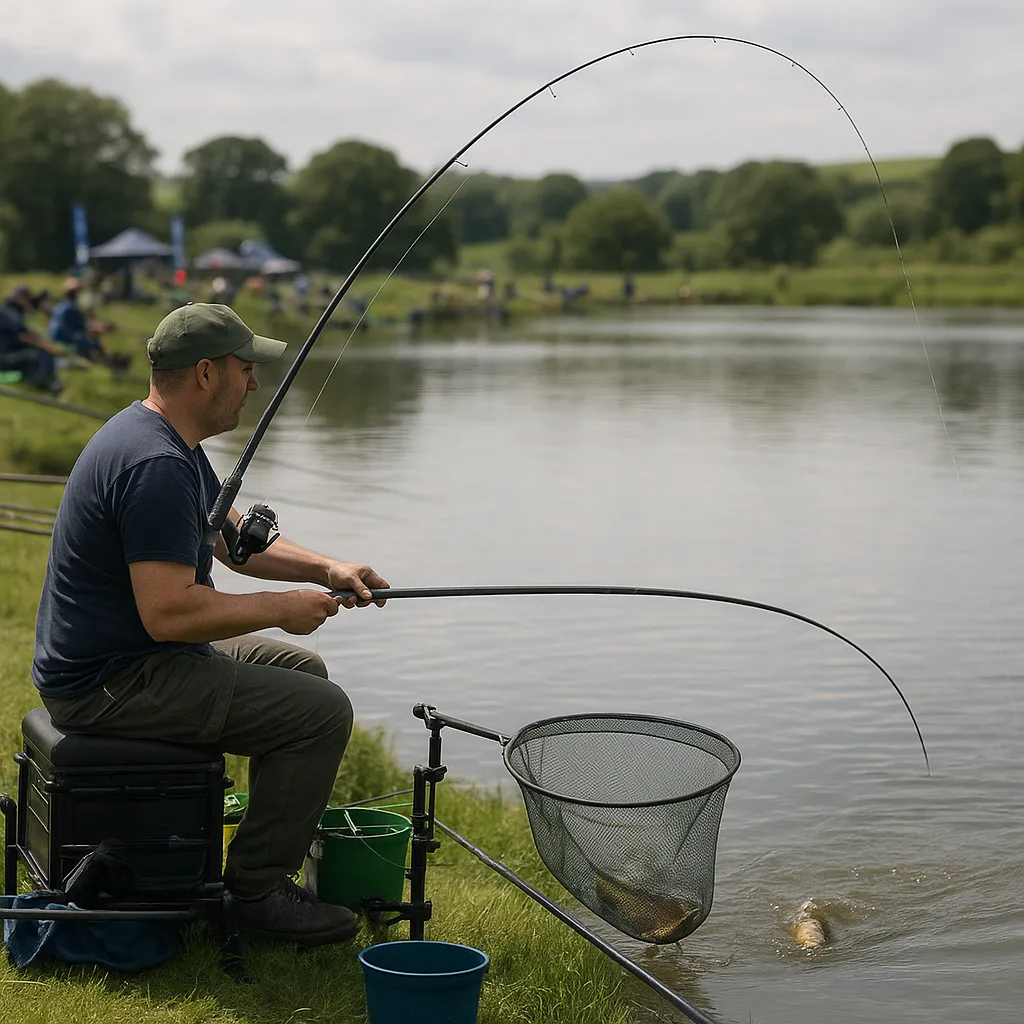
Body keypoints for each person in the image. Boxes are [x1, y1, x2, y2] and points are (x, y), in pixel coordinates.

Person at [32, 302, 389, 947]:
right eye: (245, 369)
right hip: (112, 679)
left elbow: (226, 542)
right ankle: (256, 895)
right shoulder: (157, 466)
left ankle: (267, 849)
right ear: (205, 374)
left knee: (299, 671)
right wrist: (284, 608)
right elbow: (170, 613)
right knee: (322, 712)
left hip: (122, 654)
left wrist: (326, 569)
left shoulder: (166, 442)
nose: (254, 384)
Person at [0, 285, 63, 392]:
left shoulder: (13, 312)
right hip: (4, 356)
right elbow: (21, 335)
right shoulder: (7, 312)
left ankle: (44, 384)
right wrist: (43, 345)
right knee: (37, 354)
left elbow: (25, 333)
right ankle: (39, 384)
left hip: (10, 353)